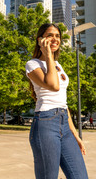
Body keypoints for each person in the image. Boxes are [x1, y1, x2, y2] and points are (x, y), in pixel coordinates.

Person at [25, 23, 88, 179]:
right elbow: (53, 86)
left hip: (64, 124)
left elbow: (62, 103)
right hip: (46, 123)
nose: (54, 39)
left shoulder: (58, 65)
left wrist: (75, 134)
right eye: (49, 35)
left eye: (57, 36)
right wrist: (48, 56)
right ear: (40, 40)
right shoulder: (33, 64)